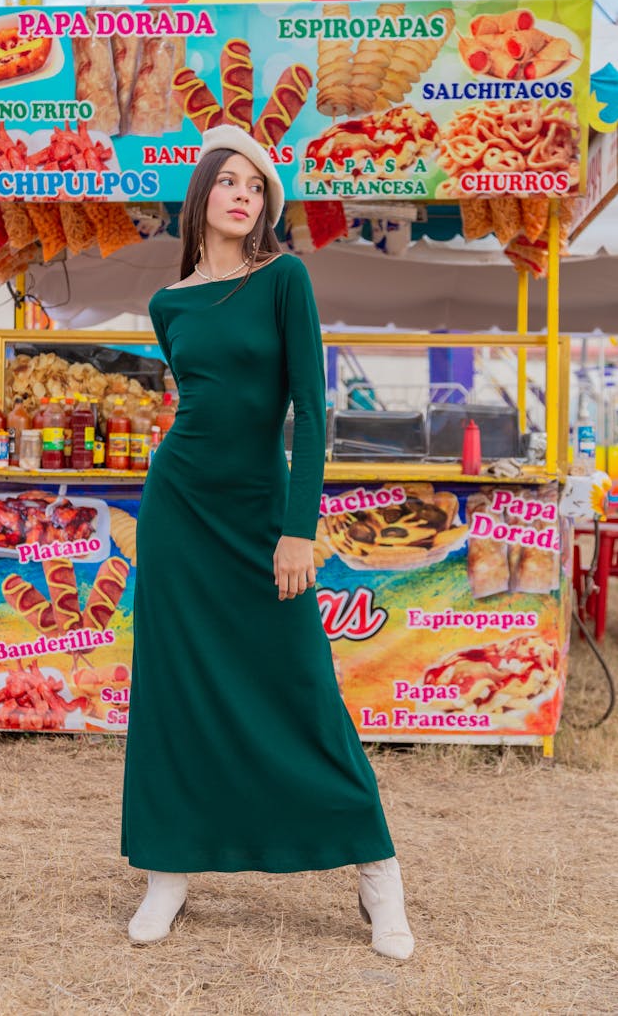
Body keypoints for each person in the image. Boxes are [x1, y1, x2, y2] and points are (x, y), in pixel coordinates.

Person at [121, 124, 413, 960]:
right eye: (230, 181)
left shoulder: (286, 278)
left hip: (261, 510)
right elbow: (197, 409)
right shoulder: (168, 303)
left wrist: (297, 529)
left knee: (299, 680)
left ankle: (376, 864)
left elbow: (310, 413)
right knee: (175, 684)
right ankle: (168, 868)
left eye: (258, 185)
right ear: (203, 194)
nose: (245, 193)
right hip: (180, 508)